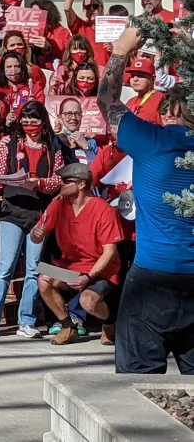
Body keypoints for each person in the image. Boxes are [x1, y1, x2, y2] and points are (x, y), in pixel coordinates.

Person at [97, 27, 194, 375]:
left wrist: (120, 52)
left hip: (153, 275)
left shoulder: (151, 140)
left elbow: (106, 101)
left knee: (137, 391)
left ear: (171, 111)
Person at [0, 100, 64, 338]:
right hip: (12, 211)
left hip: (38, 214)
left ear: (43, 122)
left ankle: (26, 321)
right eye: (25, 122)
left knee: (33, 268)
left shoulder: (53, 148)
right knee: (5, 266)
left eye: (34, 121)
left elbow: (58, 179)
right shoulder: (11, 144)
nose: (30, 126)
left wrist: (41, 183)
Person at [32, 163, 122, 346]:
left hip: (100, 270)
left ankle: (110, 324)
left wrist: (88, 277)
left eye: (66, 181)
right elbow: (35, 235)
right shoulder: (58, 204)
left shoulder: (103, 210)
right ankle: (68, 327)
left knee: (88, 302)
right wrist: (36, 233)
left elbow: (110, 252)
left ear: (81, 184)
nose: (61, 185)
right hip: (71, 267)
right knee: (43, 277)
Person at [63, 0, 110, 66]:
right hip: (86, 75)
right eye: (87, 7)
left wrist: (115, 49)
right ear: (84, 10)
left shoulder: (112, 28)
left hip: (107, 75)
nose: (91, 9)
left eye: (95, 6)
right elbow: (67, 7)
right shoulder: (81, 27)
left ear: (102, 8)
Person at [125, 57, 163, 124]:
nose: (135, 79)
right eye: (133, 76)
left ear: (153, 78)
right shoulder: (130, 101)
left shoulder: (161, 99)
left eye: (140, 75)